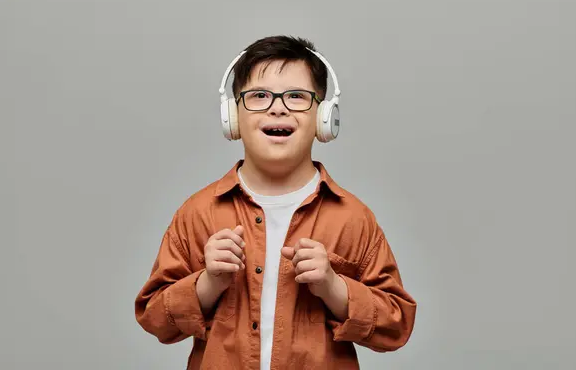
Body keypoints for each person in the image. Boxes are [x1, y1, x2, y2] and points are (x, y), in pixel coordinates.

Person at [134, 35, 417, 369]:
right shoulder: (198, 213)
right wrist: (207, 284)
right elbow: (154, 318)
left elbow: (397, 326)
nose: (278, 107)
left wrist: (333, 287)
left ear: (324, 117)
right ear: (233, 117)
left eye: (297, 96)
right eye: (259, 96)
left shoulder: (352, 218)